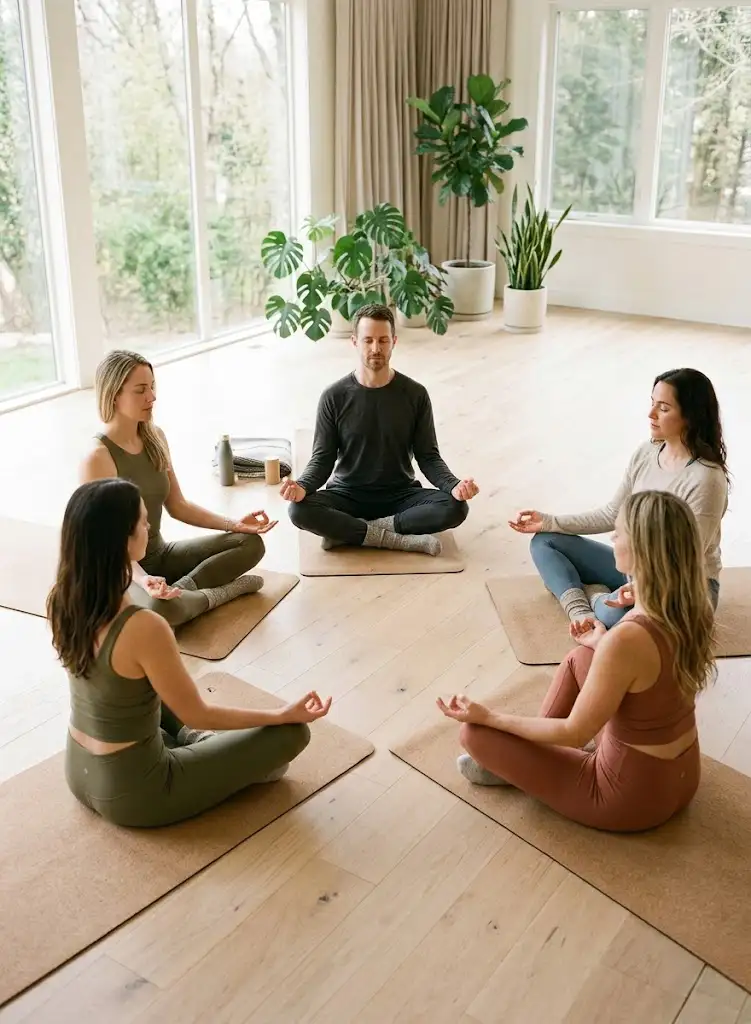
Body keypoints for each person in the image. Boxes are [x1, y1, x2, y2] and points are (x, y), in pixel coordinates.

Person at [49, 478, 331, 828]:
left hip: (78, 770)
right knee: (293, 735)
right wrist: (281, 714)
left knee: (144, 688)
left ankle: (189, 746)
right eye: (141, 521)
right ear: (123, 539)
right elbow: (198, 714)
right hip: (137, 794)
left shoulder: (62, 599)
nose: (148, 526)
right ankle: (200, 750)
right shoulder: (144, 627)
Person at [438, 490, 714, 832]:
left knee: (475, 735)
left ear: (643, 550)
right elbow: (648, 673)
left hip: (628, 799)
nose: (613, 537)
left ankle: (518, 766)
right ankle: (529, 756)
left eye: (620, 532)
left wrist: (489, 716)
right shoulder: (689, 606)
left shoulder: (628, 638)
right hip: (682, 779)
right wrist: (603, 642)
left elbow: (573, 732)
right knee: (582, 655)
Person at [509, 368, 728, 626]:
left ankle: (594, 596)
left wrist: (642, 591)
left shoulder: (706, 478)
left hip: (682, 587)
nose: (651, 414)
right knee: (545, 542)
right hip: (635, 568)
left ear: (690, 416)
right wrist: (549, 522)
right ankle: (581, 611)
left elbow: (684, 558)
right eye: (652, 403)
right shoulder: (647, 452)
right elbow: (613, 513)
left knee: (614, 614)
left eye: (664, 408)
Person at [80, 350, 277, 628]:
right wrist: (142, 579)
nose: (152, 397)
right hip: (122, 570)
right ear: (114, 394)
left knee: (250, 543)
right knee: (159, 614)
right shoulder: (97, 459)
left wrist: (234, 524)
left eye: (152, 387)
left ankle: (179, 595)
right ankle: (220, 593)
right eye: (140, 390)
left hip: (160, 554)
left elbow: (178, 506)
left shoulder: (154, 436)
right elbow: (106, 545)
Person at [281, 303, 478, 555]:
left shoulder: (415, 394)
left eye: (383, 340)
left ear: (394, 341)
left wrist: (454, 485)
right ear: (355, 342)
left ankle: (352, 533)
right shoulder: (334, 396)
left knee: (456, 507)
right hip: (346, 495)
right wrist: (302, 486)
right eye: (368, 340)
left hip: (400, 495)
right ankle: (397, 539)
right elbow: (322, 459)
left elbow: (428, 456)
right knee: (299, 510)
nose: (376, 348)